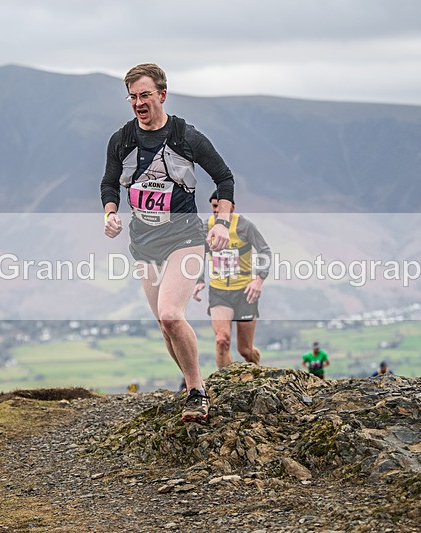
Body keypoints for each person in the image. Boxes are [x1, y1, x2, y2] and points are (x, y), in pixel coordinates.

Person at [101, 63, 235, 423]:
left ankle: (197, 392)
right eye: (132, 97)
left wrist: (221, 223)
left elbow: (224, 179)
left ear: (162, 94)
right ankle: (194, 386)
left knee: (171, 314)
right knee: (165, 325)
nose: (138, 103)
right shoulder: (122, 140)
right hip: (144, 244)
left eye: (145, 95)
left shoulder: (186, 137)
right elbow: (109, 183)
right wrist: (110, 213)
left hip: (185, 238)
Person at [193, 191, 272, 368]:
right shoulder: (207, 227)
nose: (216, 211)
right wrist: (199, 279)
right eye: (214, 206)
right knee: (222, 341)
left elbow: (265, 251)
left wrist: (258, 280)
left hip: (245, 292)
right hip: (219, 292)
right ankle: (225, 386)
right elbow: (198, 254)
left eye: (220, 207)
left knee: (245, 350)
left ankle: (256, 366)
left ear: (231, 208)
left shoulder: (245, 226)